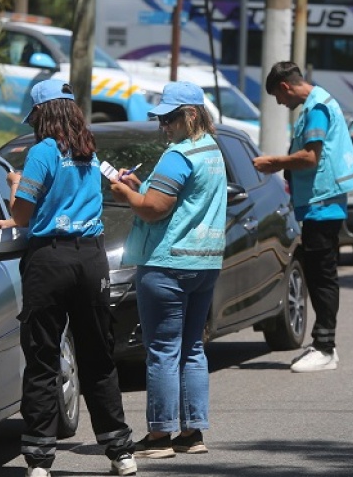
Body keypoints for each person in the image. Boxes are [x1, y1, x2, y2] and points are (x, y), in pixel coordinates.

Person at [0, 79, 136, 477]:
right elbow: (106, 184)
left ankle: (39, 460)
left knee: (43, 358)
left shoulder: (42, 152)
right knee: (98, 355)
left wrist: (14, 186)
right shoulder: (88, 149)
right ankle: (121, 451)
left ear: (41, 115)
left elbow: (22, 215)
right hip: (91, 259)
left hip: (50, 260)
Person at [109, 81, 227, 459]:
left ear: (190, 115)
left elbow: (154, 209)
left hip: (168, 264)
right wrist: (141, 187)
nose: (164, 127)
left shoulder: (178, 155)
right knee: (192, 348)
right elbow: (176, 200)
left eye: (169, 119)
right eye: (161, 119)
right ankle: (192, 433)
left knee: (161, 351)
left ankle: (159, 436)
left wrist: (126, 194)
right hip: (204, 262)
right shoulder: (212, 151)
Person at [253, 61, 353, 373]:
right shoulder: (321, 102)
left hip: (322, 203)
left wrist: (274, 162)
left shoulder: (316, 108)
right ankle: (324, 345)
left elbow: (310, 157)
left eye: (278, 96)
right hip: (322, 203)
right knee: (320, 275)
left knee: (322, 276)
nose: (280, 103)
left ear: (285, 87)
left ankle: (325, 347)